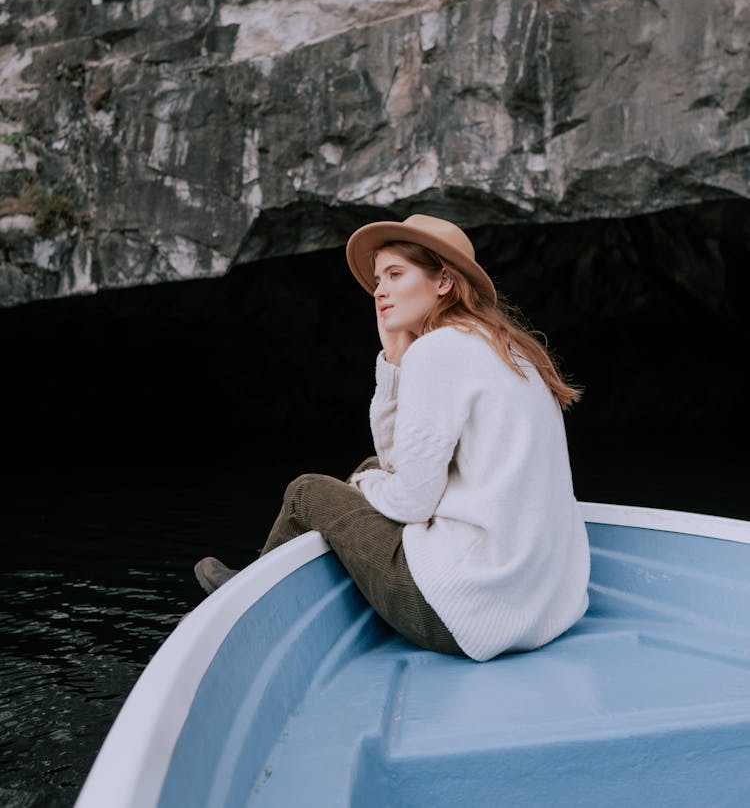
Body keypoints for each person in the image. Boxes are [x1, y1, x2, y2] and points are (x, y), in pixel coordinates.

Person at [194, 214, 591, 662]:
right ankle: (302, 583)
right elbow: (395, 462)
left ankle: (244, 601)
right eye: (379, 278)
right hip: (537, 609)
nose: (379, 290)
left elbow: (410, 501)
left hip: (459, 612)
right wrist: (395, 362)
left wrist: (362, 486)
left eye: (396, 274)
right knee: (369, 472)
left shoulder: (438, 350)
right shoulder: (505, 347)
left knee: (307, 493)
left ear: (443, 281)